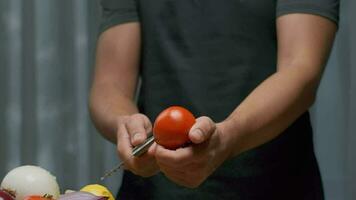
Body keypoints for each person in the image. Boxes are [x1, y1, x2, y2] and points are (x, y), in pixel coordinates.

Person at [89, 0, 339, 199]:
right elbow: (109, 83)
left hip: (275, 185)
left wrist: (228, 137)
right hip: (153, 190)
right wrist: (125, 124)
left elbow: (301, 69)